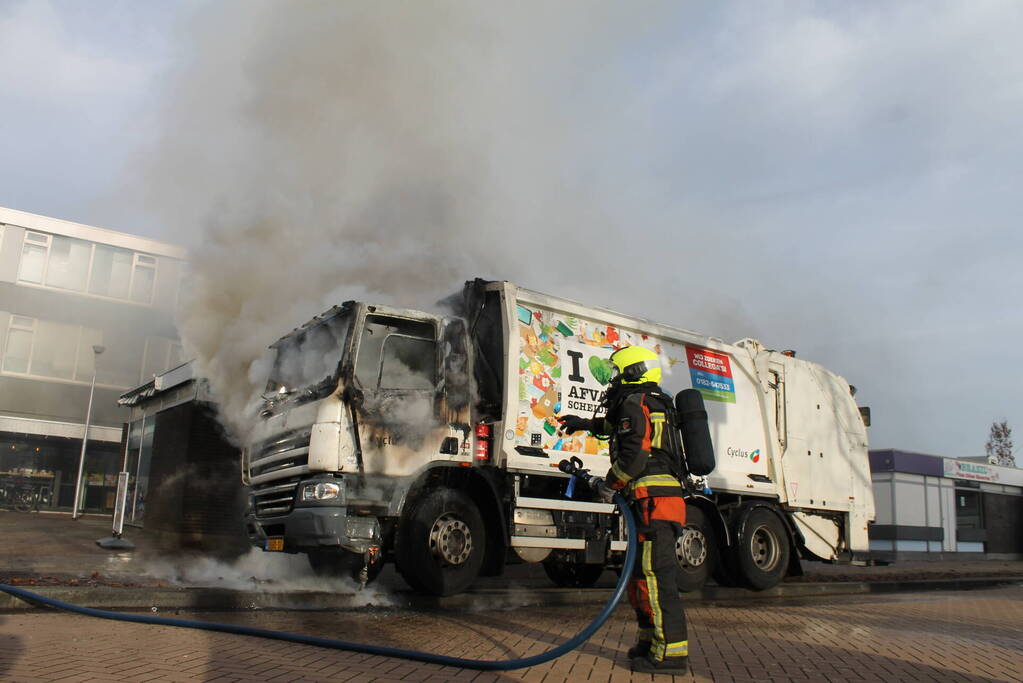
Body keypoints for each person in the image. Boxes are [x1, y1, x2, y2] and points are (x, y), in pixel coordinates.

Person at [558, 345, 690, 674]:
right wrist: (584, 423)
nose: (613, 378)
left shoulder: (635, 403)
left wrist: (611, 484)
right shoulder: (648, 402)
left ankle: (671, 655)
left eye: (617, 372)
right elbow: (617, 428)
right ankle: (650, 643)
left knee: (656, 577)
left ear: (633, 372)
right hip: (654, 501)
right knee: (640, 576)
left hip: (652, 501)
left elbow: (634, 454)